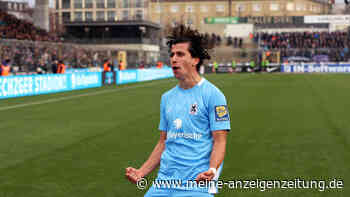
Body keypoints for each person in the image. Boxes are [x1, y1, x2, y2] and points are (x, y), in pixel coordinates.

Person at [125, 24, 231, 196]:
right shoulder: (167, 98)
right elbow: (163, 143)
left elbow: (220, 141)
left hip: (196, 184)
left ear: (195, 60)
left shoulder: (214, 95)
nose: (174, 59)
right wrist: (141, 172)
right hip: (164, 182)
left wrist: (212, 169)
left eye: (180, 54)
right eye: (172, 54)